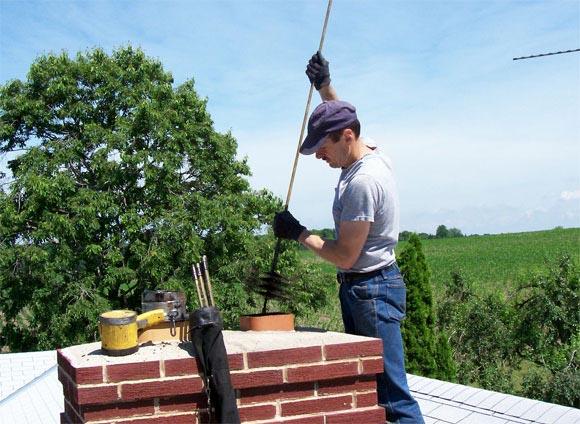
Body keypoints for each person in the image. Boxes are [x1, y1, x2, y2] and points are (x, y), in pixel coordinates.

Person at [273, 52, 424, 424]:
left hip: (371, 291)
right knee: (373, 388)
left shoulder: (363, 182)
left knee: (392, 397)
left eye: (322, 147)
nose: (318, 155)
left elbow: (345, 256)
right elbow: (343, 117)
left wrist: (299, 233)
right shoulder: (367, 153)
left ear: (346, 138)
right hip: (368, 289)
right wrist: (325, 86)